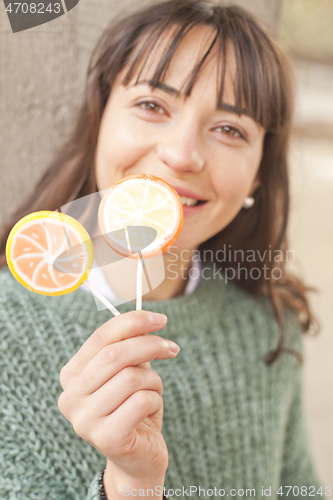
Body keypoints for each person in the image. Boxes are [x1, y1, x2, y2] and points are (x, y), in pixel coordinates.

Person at [0, 1, 326, 499]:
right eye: (153, 105)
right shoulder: (7, 328)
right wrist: (133, 483)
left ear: (258, 173)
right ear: (99, 118)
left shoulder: (266, 326)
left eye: (230, 129)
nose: (181, 154)